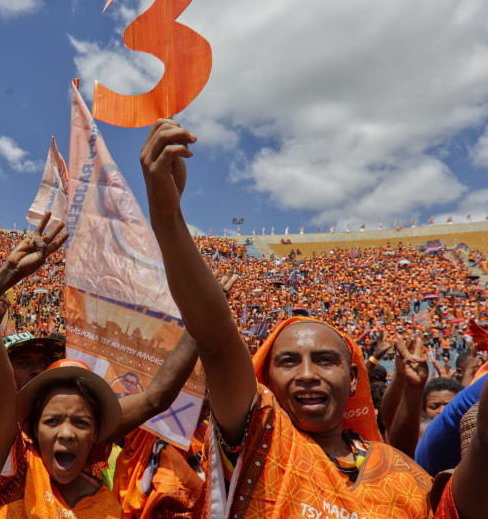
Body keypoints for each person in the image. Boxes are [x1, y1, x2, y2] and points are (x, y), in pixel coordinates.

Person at [141, 120, 432, 517]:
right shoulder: (264, 438)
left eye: (325, 360)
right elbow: (216, 340)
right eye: (288, 360)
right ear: (266, 380)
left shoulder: (407, 476)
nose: (308, 373)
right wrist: (166, 216)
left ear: (352, 380)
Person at [0, 196, 125, 518]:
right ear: (33, 426)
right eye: (24, 363)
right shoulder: (11, 459)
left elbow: (154, 400)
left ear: (97, 434)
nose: (66, 432)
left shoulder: (105, 501)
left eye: (80, 422)